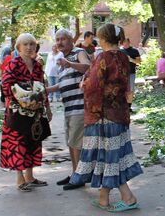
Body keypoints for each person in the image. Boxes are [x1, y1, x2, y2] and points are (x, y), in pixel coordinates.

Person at [70, 23, 142, 211]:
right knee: (111, 157)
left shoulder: (103, 57)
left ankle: (124, 198)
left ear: (103, 39)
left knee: (110, 157)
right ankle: (111, 198)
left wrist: (83, 85)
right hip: (120, 113)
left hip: (104, 115)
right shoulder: (125, 57)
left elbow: (94, 85)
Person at [0, 33, 52, 192]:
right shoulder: (13, 64)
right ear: (18, 47)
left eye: (32, 44)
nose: (29, 47)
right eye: (25, 44)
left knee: (33, 142)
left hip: (35, 112)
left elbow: (42, 88)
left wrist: (47, 108)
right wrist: (23, 98)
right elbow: (6, 86)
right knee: (18, 144)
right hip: (17, 112)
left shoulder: (37, 66)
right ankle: (20, 179)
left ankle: (30, 177)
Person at [46, 29, 91, 190]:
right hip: (69, 108)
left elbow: (88, 67)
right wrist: (47, 90)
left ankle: (79, 177)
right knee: (71, 143)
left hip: (80, 107)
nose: (59, 42)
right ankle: (75, 173)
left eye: (63, 39)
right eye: (57, 40)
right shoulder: (62, 59)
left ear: (71, 40)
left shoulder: (79, 52)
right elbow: (63, 83)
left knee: (76, 143)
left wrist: (70, 64)